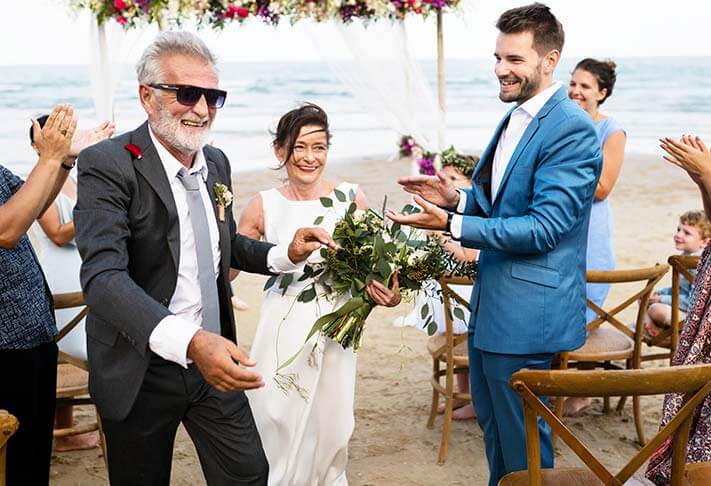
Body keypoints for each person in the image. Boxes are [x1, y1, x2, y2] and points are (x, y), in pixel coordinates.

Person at [73, 32, 334, 486]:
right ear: (147, 96)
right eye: (187, 93)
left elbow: (222, 244)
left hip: (215, 363)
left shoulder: (215, 162)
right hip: (141, 365)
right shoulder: (107, 163)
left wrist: (283, 253)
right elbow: (103, 278)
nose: (201, 108)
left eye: (213, 96)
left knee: (248, 474)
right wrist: (191, 342)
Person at [386, 4, 602, 484]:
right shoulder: (515, 117)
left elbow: (545, 227)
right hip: (492, 303)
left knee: (524, 441)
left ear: (550, 61)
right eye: (498, 57)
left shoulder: (570, 127)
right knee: (494, 430)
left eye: (515, 60)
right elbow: (499, 201)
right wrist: (456, 198)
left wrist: (452, 225)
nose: (501, 69)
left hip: (529, 313)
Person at [238, 103, 401, 485]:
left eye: (320, 147)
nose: (310, 158)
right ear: (280, 151)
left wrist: (387, 294)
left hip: (336, 323)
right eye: (299, 147)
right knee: (274, 411)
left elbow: (376, 270)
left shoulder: (350, 198)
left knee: (333, 420)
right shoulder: (263, 204)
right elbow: (228, 264)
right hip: (281, 320)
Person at [0, 104, 77, 486]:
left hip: (34, 332)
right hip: (5, 343)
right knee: (11, 459)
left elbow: (36, 205)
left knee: (32, 458)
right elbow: (7, 230)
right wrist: (49, 155)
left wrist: (62, 162)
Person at [646, 135, 711, 484]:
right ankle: (689, 467)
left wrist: (709, 176)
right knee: (698, 383)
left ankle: (706, 470)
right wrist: (704, 181)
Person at [30, 114, 115, 452]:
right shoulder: (33, 184)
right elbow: (57, 232)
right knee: (72, 345)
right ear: (37, 143)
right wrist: (96, 212)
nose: (63, 137)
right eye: (55, 133)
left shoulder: (74, 180)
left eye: (66, 132)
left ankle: (67, 428)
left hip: (81, 264)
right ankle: (64, 428)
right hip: (59, 272)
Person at [563, 57, 627, 416]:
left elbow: (602, 188)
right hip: (561, 226)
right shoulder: (561, 123)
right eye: (573, 83)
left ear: (602, 93)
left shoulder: (611, 131)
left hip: (592, 231)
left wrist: (560, 177)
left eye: (585, 86)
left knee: (588, 308)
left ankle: (583, 389)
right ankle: (559, 380)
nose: (576, 91)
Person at [397, 148, 479, 420]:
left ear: (472, 186)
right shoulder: (442, 212)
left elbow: (468, 258)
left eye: (455, 179)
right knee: (452, 340)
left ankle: (474, 401)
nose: (447, 185)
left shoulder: (474, 218)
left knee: (461, 338)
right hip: (448, 288)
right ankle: (460, 393)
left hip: (468, 291)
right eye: (444, 178)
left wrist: (439, 235)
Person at [643, 210, 711, 338]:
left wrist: (661, 299)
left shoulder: (699, 264)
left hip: (699, 317)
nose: (678, 235)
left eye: (687, 233)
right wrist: (661, 293)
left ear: (705, 242)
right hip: (686, 307)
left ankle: (689, 333)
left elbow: (696, 301)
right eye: (679, 229)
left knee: (655, 309)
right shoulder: (685, 257)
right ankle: (651, 324)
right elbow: (681, 290)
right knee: (645, 295)